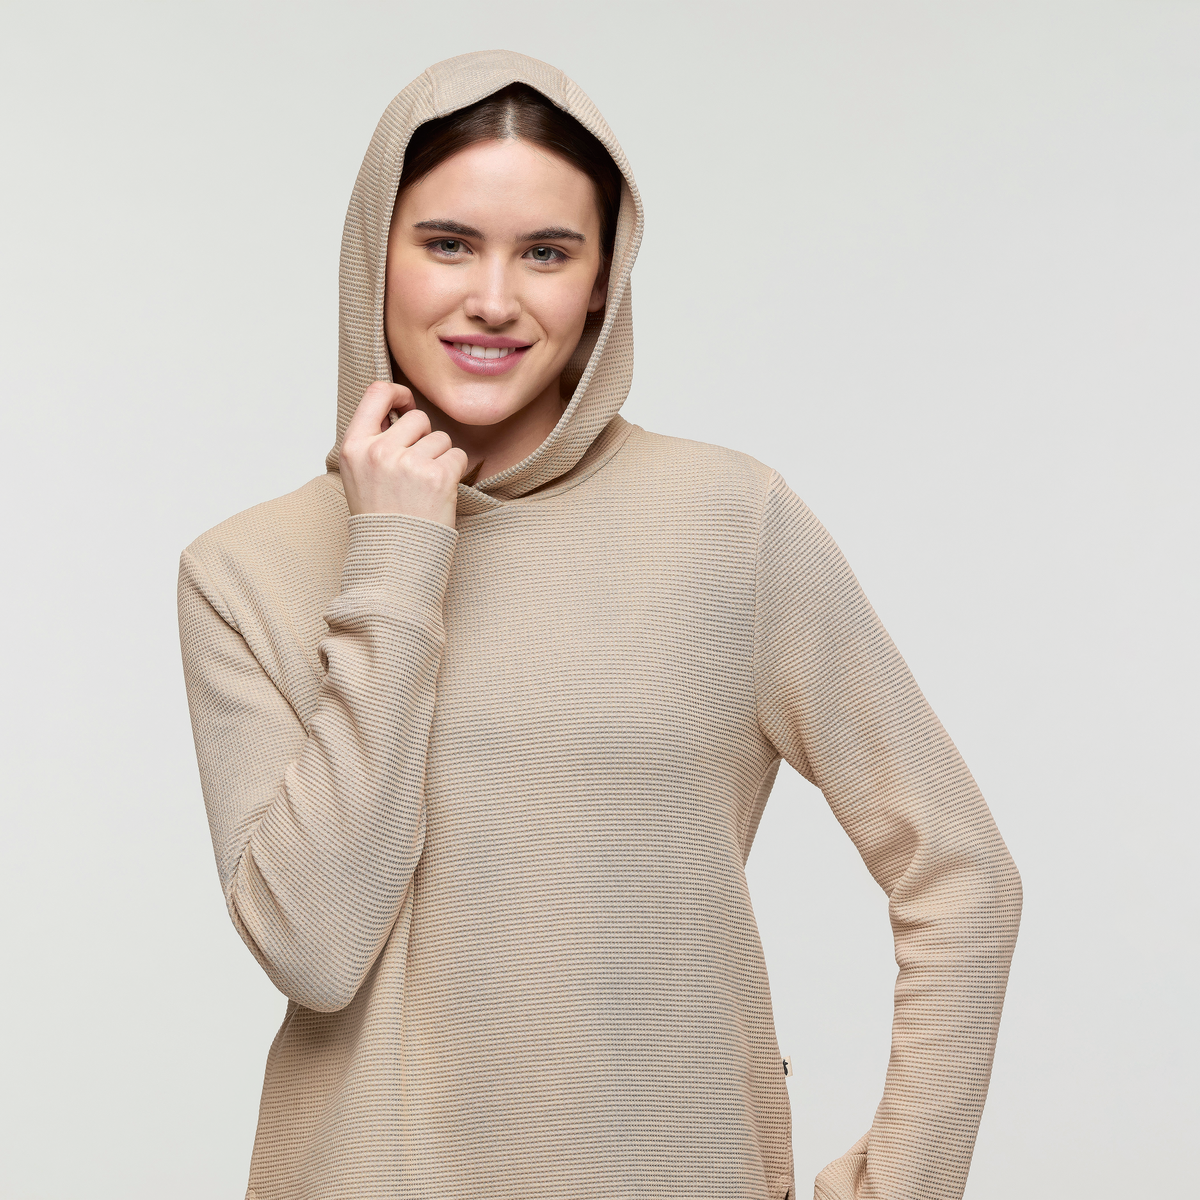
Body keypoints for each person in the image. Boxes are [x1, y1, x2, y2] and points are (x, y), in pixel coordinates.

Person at [178, 49, 1021, 1200]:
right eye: (448, 244)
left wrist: (905, 1185)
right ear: (375, 252)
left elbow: (962, 872)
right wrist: (396, 562)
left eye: (546, 252)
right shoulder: (244, 571)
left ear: (600, 282)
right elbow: (315, 952)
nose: (493, 298)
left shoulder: (730, 525)